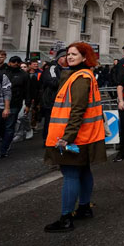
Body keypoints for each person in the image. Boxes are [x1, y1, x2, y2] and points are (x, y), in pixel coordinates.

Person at [43, 42, 107, 232]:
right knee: (84, 171)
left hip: (76, 137)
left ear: (85, 57)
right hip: (86, 135)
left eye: (74, 54)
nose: (69, 57)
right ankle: (84, 208)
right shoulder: (84, 75)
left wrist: (67, 137)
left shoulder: (80, 77)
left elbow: (77, 110)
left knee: (70, 175)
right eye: (68, 54)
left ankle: (65, 218)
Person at [0, 56, 30, 157]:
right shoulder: (2, 73)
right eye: (13, 62)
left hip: (15, 103)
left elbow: (28, 90)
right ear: (9, 62)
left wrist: (27, 104)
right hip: (0, 103)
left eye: (18, 62)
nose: (16, 63)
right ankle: (5, 141)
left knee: (10, 126)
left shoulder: (24, 75)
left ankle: (4, 149)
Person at [40, 49, 68, 145]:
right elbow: (53, 82)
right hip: (51, 100)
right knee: (50, 121)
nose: (67, 58)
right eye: (65, 56)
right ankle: (47, 140)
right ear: (60, 58)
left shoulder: (65, 69)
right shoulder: (52, 68)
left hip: (62, 100)